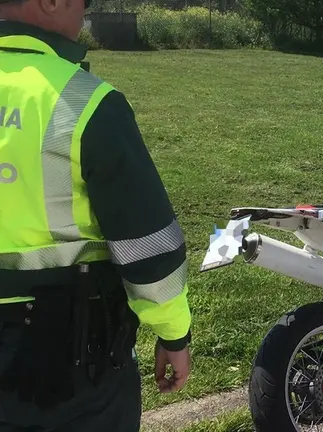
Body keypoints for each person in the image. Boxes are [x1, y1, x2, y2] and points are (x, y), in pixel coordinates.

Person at [0, 0, 192, 430]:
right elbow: (149, 248)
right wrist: (174, 333)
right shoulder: (86, 103)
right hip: (67, 367)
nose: (84, 14)